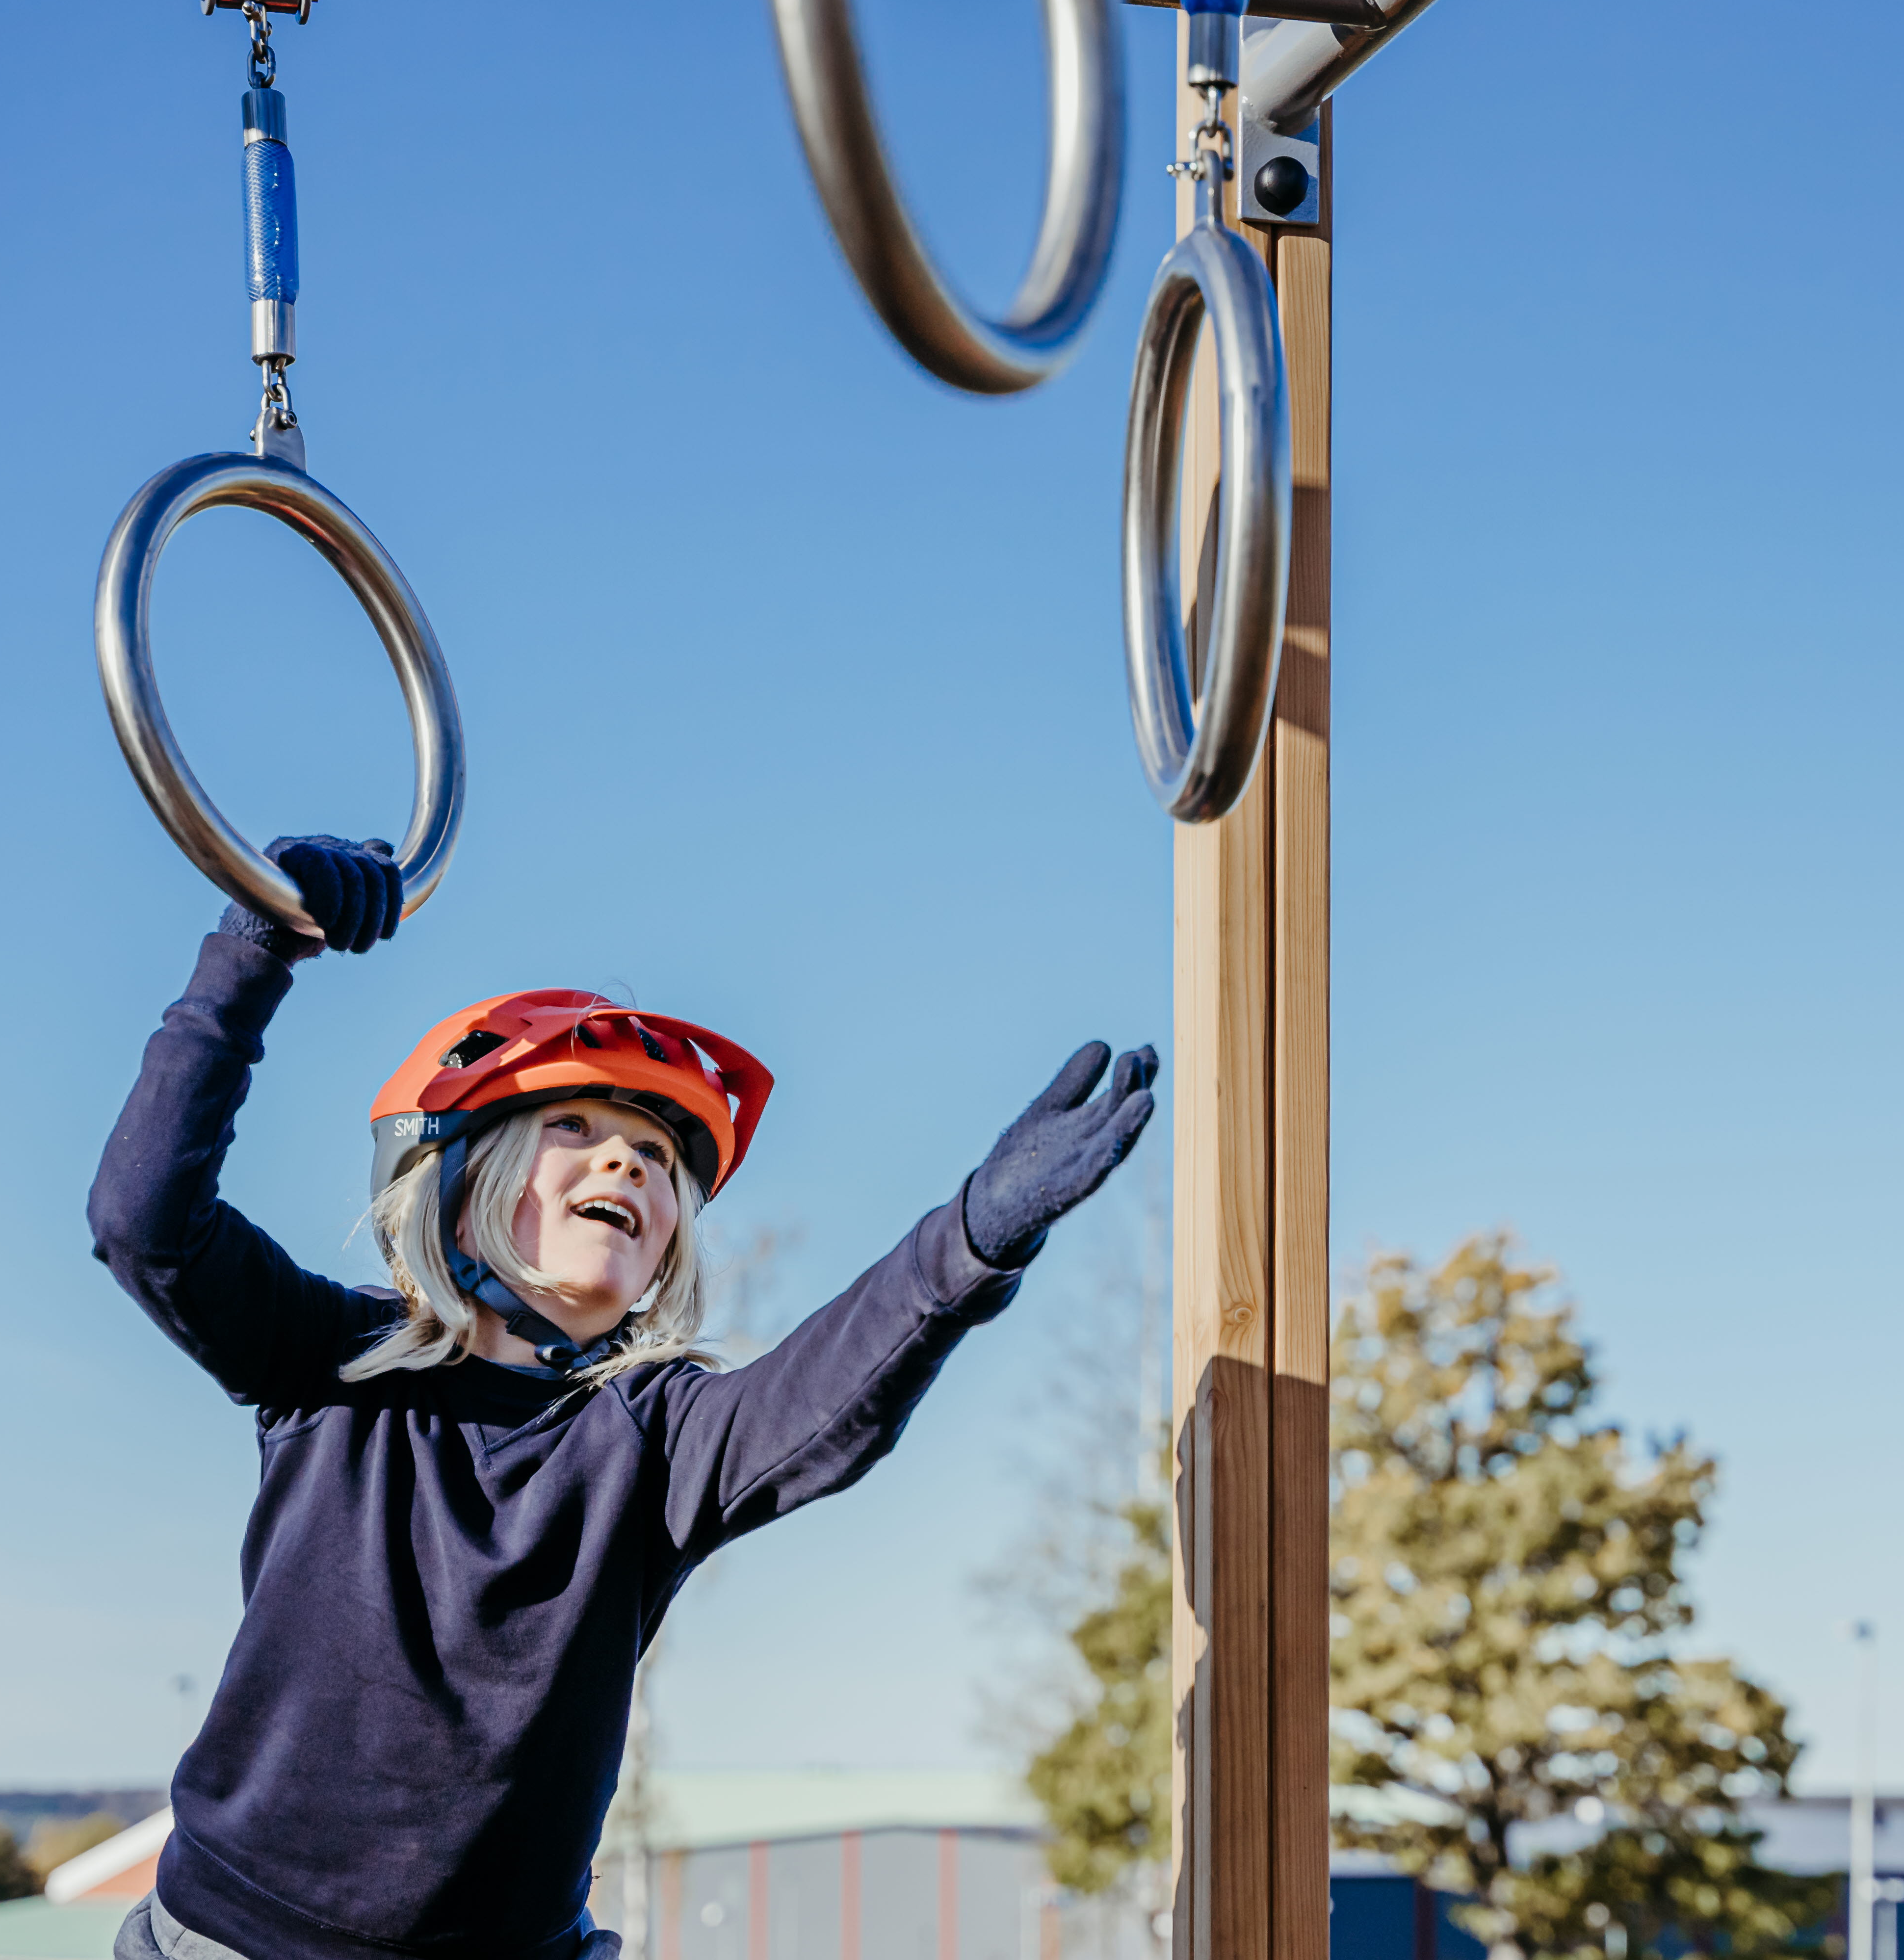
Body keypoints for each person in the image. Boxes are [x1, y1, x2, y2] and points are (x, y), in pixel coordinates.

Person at [90, 836, 1158, 1960]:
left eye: (657, 1155)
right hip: (234, 1943)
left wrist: (970, 1238)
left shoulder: (655, 1435)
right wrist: (255, 946)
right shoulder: (337, 1361)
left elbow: (820, 1403)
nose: (629, 1166)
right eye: (576, 1128)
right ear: (457, 1182)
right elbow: (144, 1217)